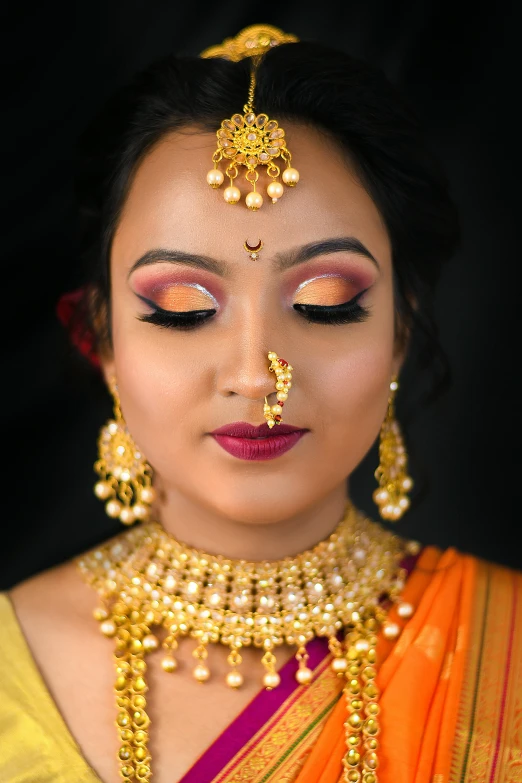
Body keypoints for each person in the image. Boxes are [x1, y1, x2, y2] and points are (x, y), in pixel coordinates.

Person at [1, 23, 520, 783]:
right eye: (180, 306)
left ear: (402, 330)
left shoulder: (505, 650)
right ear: (101, 338)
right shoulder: (12, 662)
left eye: (326, 301)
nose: (255, 374)